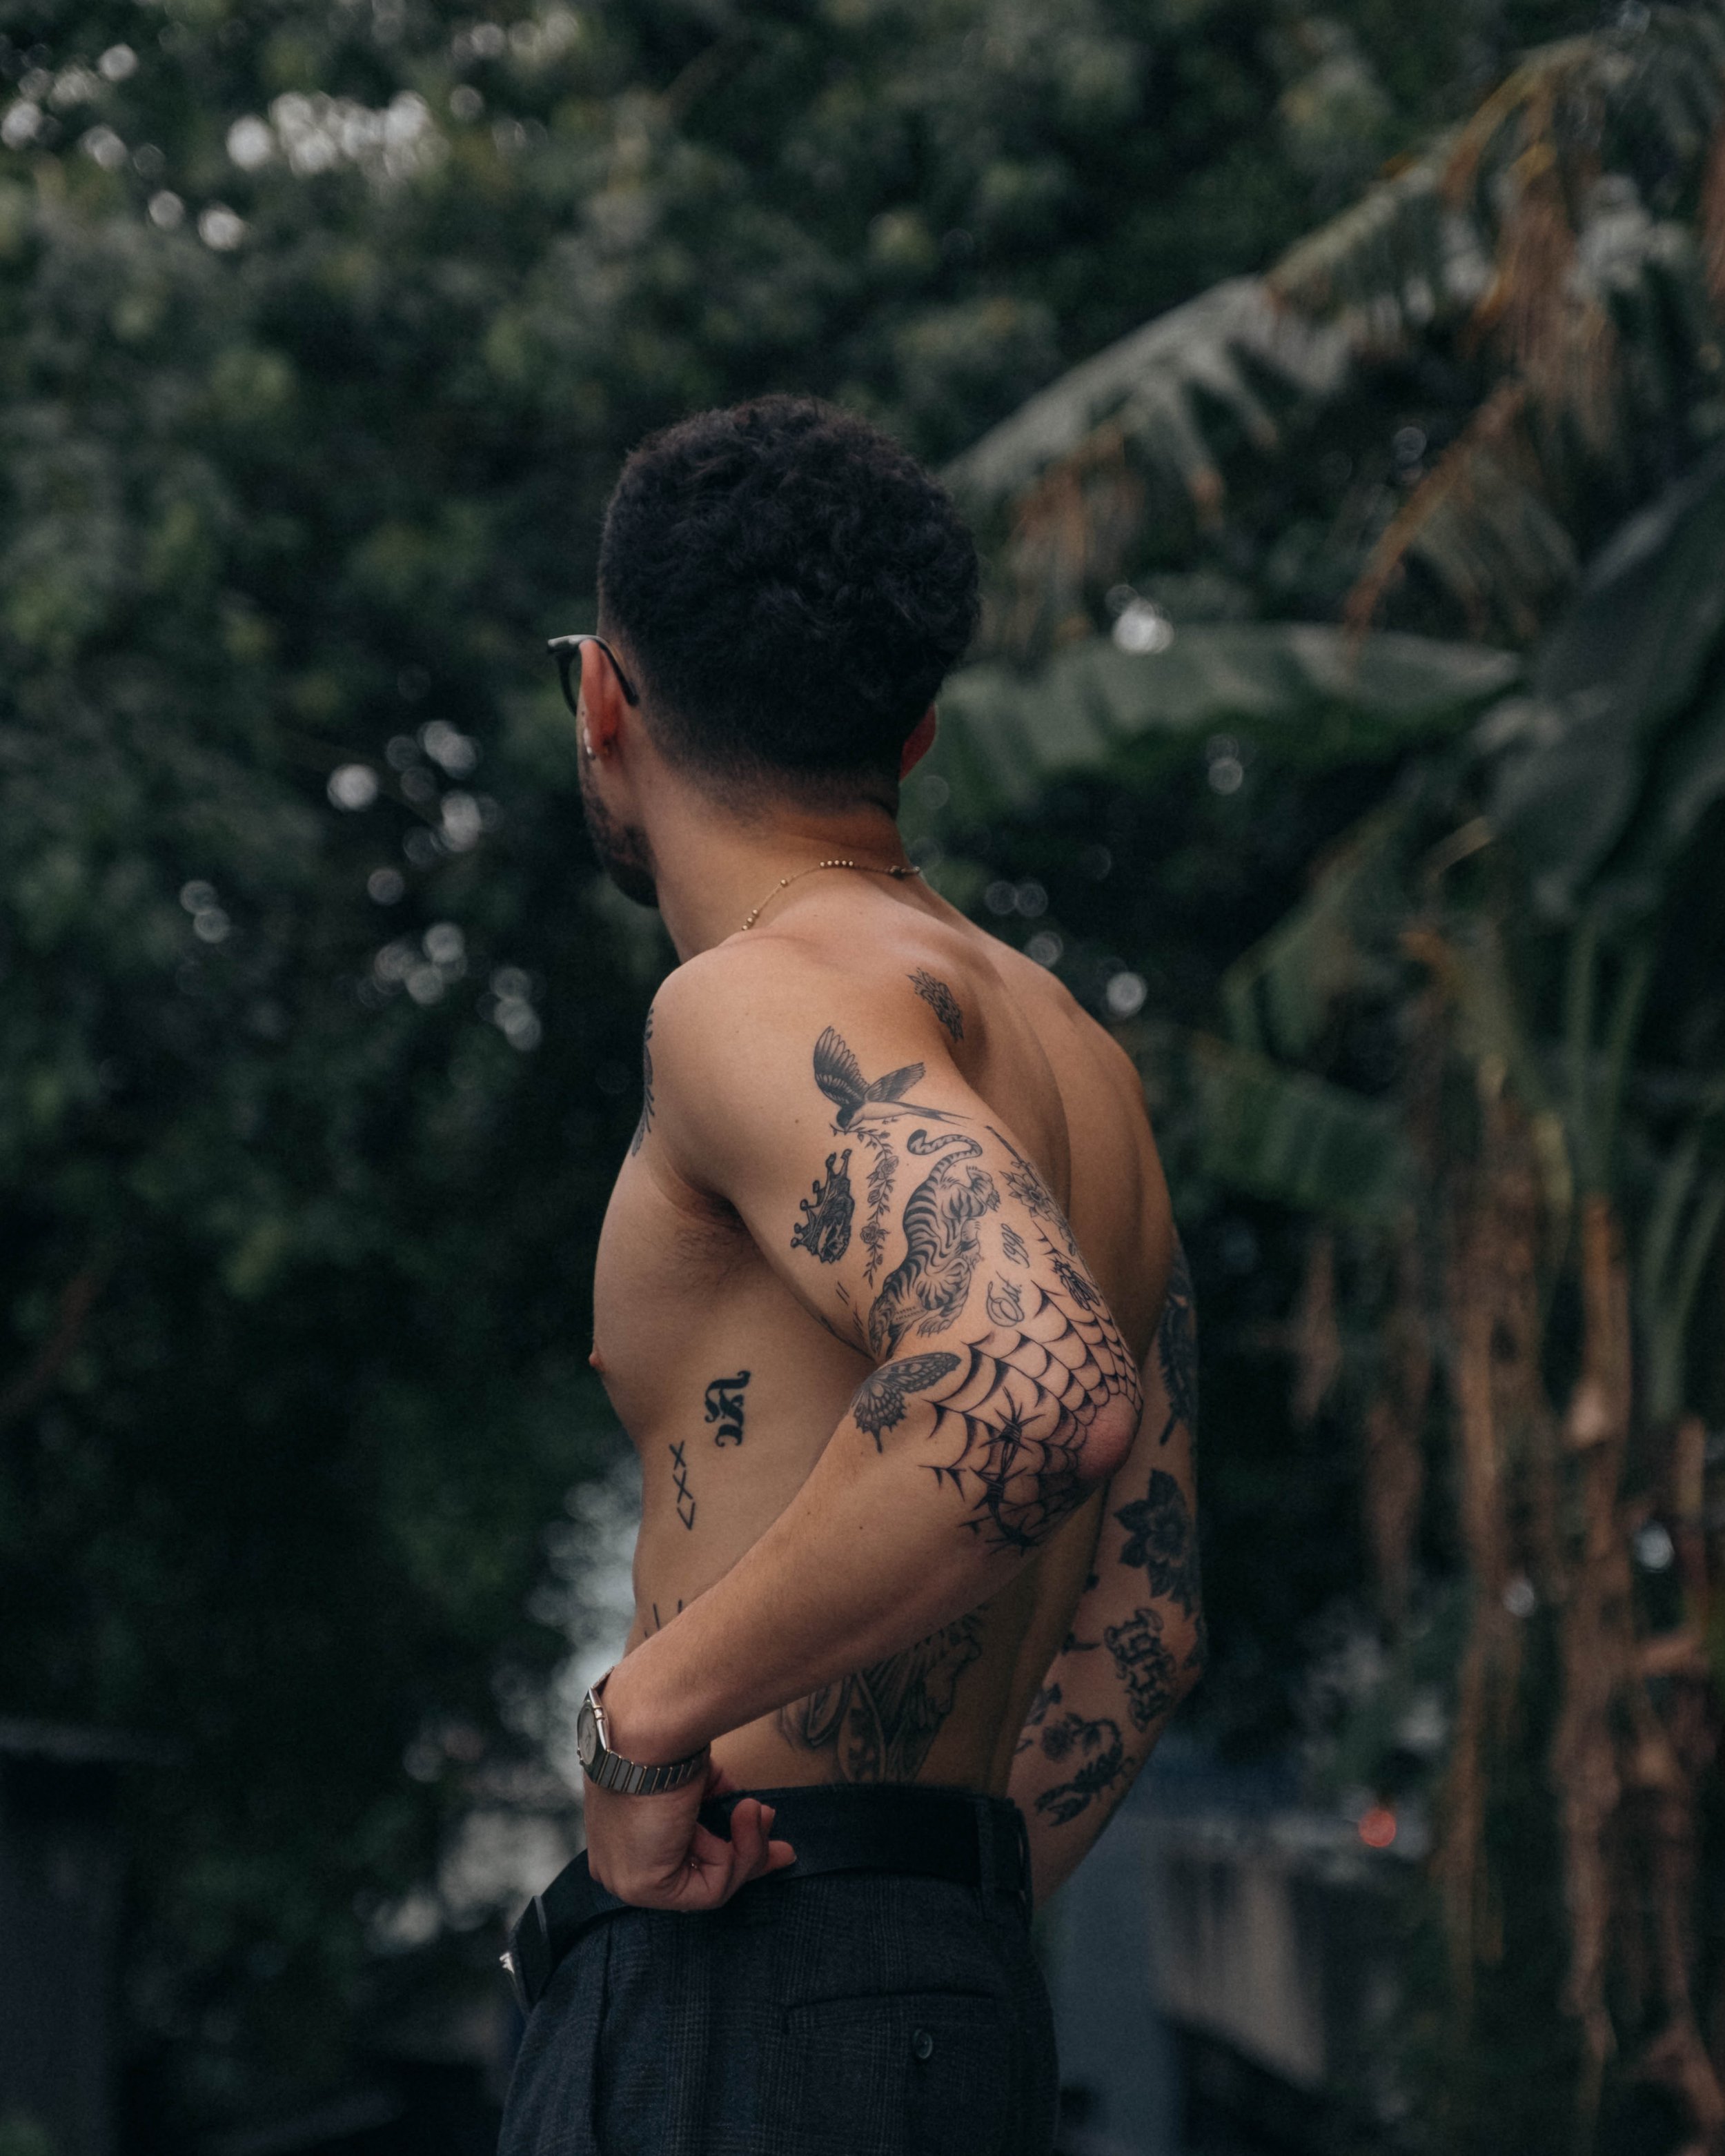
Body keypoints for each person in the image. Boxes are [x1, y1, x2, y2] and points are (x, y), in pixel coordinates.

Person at [500, 396, 1203, 2156]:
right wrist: (913, 1940)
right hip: (947, 1973)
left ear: (602, 699)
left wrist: (642, 1730)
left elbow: (1033, 1389)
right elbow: (1147, 1620)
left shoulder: (749, 996)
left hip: (738, 1959)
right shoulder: (1076, 1061)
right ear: (915, 732)